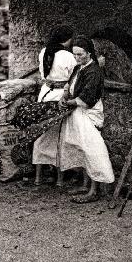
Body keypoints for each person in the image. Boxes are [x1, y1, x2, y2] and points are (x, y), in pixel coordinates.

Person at [58, 35, 115, 203]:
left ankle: (93, 190)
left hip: (88, 112)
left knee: (93, 150)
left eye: (80, 55)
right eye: (74, 55)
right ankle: (85, 184)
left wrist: (69, 102)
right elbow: (69, 86)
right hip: (77, 112)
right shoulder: (78, 68)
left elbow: (87, 98)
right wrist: (64, 95)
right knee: (81, 147)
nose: (77, 58)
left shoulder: (94, 71)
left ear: (89, 54)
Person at [33, 25, 77, 186]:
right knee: (59, 135)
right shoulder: (68, 56)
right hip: (60, 96)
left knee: (42, 134)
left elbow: (43, 74)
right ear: (67, 39)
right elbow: (74, 77)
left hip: (44, 94)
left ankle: (38, 177)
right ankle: (59, 179)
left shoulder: (44, 52)